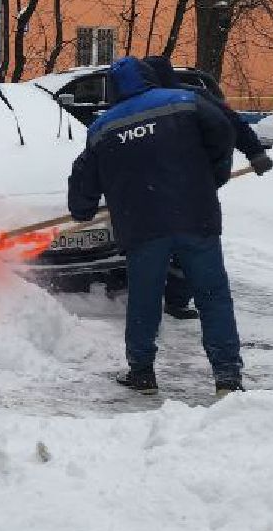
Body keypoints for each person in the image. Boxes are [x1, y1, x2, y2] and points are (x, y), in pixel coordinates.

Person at [67, 56, 246, 395]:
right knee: (213, 297)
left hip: (142, 225)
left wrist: (82, 209)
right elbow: (224, 131)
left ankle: (142, 372)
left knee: (144, 300)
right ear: (148, 78)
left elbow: (83, 178)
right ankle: (227, 376)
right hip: (197, 216)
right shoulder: (187, 102)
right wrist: (214, 175)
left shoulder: (103, 127)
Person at [141, 55, 273, 320]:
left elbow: (233, 123)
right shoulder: (147, 103)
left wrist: (256, 153)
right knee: (172, 240)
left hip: (192, 182)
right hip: (164, 184)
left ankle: (173, 299)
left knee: (184, 240)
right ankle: (164, 297)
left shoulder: (194, 98)